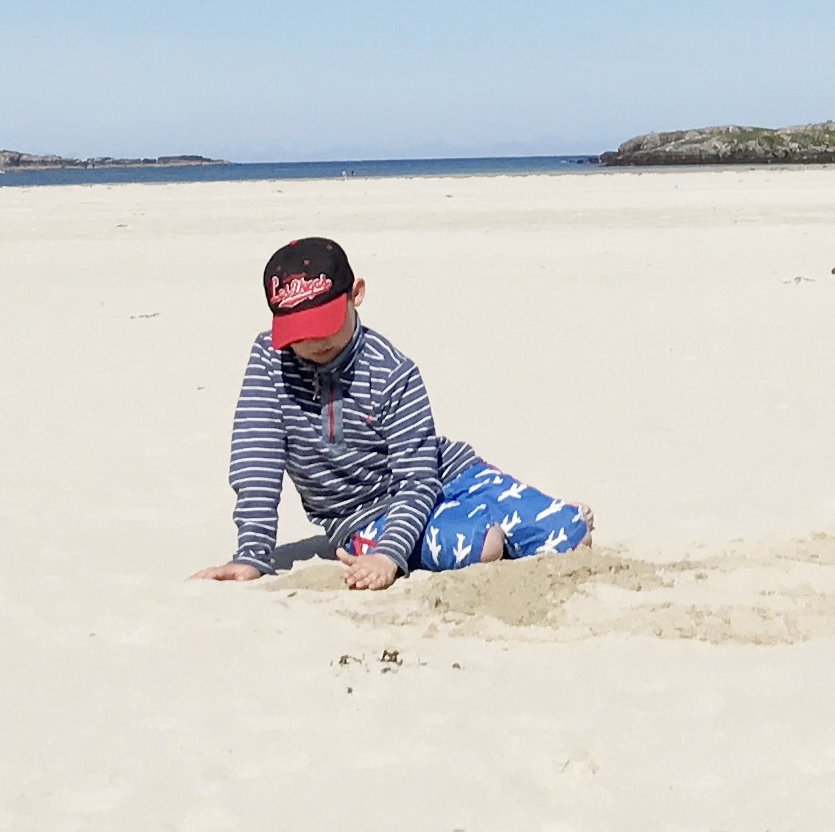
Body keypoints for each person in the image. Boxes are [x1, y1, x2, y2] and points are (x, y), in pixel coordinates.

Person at [191, 236, 592, 588]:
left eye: (324, 324)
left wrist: (390, 556)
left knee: (570, 533)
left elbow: (417, 478)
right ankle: (486, 527)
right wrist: (251, 554)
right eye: (299, 331)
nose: (314, 341)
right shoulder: (269, 361)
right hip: (363, 515)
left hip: (447, 475)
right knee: (484, 544)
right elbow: (255, 459)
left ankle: (522, 516)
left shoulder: (393, 372)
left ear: (356, 294)